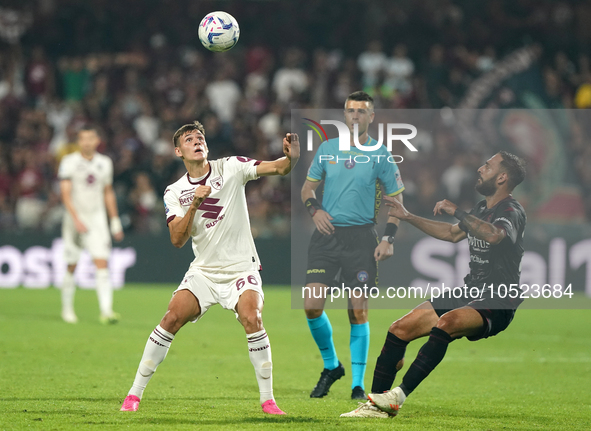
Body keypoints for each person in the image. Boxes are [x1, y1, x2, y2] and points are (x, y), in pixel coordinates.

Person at [120, 121, 299, 415]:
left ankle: (268, 400)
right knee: (171, 318)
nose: (196, 141)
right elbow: (177, 239)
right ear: (178, 151)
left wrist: (291, 158)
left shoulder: (231, 167)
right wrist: (195, 204)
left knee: (252, 318)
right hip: (204, 271)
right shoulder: (174, 191)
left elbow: (278, 168)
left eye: (200, 137)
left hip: (241, 267)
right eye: (189, 139)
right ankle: (134, 394)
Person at [341, 151, 527, 418]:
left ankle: (398, 396)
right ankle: (375, 406)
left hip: (497, 299)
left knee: (447, 324)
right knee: (398, 330)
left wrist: (457, 211)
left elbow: (495, 235)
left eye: (487, 165)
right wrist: (408, 216)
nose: (480, 168)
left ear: (502, 177)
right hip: (470, 291)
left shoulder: (511, 210)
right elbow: (452, 234)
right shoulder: (481, 209)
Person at [302, 91, 405, 400]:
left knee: (357, 311)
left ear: (371, 117)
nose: (355, 115)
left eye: (362, 111)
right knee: (311, 305)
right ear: (344, 116)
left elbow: (396, 201)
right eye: (350, 110)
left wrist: (388, 238)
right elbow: (308, 187)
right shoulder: (327, 149)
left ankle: (357, 385)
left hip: (361, 239)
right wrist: (315, 210)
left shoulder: (381, 154)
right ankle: (332, 366)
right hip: (326, 237)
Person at [58, 126, 124, 324]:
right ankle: (67, 309)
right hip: (74, 219)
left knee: (102, 262)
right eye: (83, 139)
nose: (86, 142)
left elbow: (108, 192)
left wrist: (114, 220)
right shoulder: (69, 162)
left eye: (90, 138)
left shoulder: (105, 163)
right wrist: (76, 219)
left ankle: (106, 311)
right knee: (72, 264)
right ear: (78, 141)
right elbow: (65, 193)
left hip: (97, 219)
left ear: (97, 141)